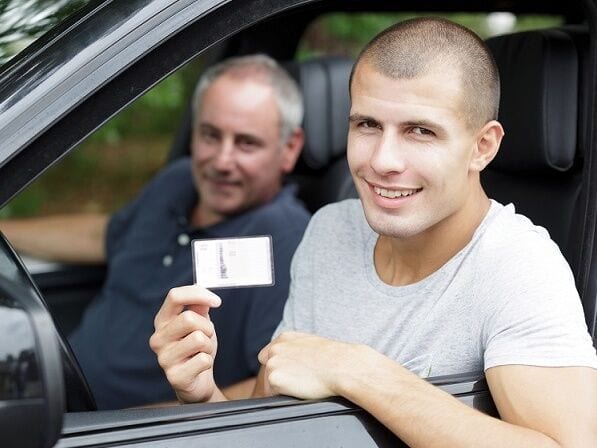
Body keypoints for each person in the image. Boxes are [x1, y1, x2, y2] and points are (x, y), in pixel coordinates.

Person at [150, 18, 597, 446]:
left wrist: (361, 372)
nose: (383, 160)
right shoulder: (331, 229)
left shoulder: (518, 266)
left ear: (483, 146)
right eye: (367, 124)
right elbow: (279, 429)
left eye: (420, 131)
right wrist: (204, 396)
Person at [2, 54, 311, 409]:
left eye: (246, 143)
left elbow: (273, 384)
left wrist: (139, 424)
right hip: (42, 386)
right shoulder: (178, 181)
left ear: (289, 149)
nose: (222, 161)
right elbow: (102, 235)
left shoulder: (284, 240)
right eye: (210, 135)